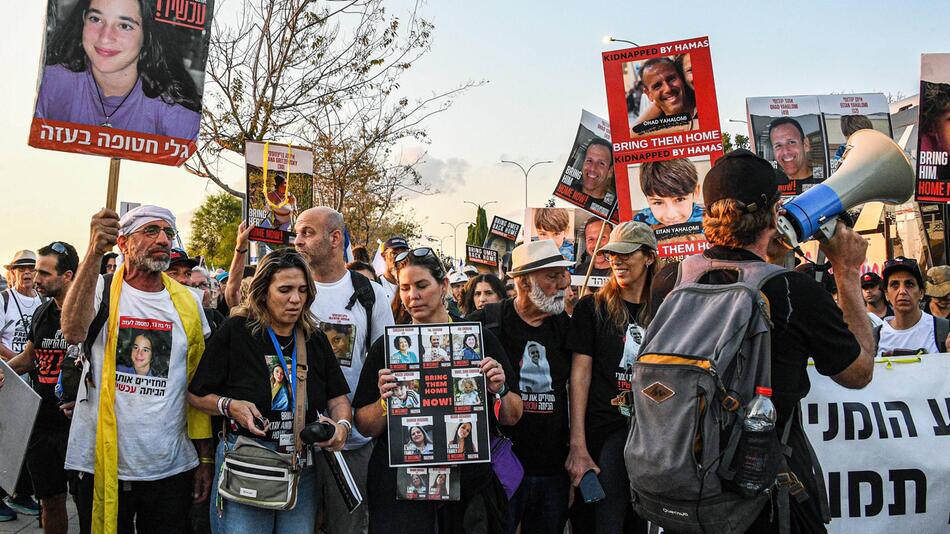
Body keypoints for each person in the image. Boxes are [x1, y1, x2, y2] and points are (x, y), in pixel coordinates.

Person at [651, 149, 877, 532]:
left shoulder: (669, 280)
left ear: (707, 214)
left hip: (687, 486)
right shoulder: (793, 291)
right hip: (767, 495)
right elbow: (857, 373)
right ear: (774, 215)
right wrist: (848, 271)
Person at [222, 207, 393, 534]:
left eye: (307, 233)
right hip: (289, 446)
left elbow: (384, 360)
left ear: (335, 238)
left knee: (347, 526)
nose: (297, 240)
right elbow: (236, 305)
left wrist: (349, 423)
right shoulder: (288, 286)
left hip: (347, 442)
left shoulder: (370, 294)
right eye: (296, 232)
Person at [60, 205, 213, 534]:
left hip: (169, 466)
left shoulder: (188, 302)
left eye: (168, 233)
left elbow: (197, 386)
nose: (163, 239)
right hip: (99, 460)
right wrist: (92, 251)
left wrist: (204, 458)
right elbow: (72, 331)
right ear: (123, 242)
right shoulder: (99, 289)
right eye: (151, 231)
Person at [353, 246, 521, 534]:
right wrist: (384, 403)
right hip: (402, 484)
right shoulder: (388, 347)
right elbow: (365, 426)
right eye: (404, 288)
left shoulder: (479, 340)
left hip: (467, 483)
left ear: (443, 285)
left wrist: (499, 388)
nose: (412, 296)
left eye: (421, 286)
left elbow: (513, 416)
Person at [187, 248, 351, 533]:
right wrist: (230, 406)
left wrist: (342, 428)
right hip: (248, 464)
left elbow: (338, 397)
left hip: (300, 467)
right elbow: (196, 394)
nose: (295, 299)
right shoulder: (237, 331)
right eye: (285, 289)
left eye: (302, 290)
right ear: (263, 291)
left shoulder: (314, 338)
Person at [467, 239, 573, 534]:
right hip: (499, 469)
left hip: (553, 470)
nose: (562, 283)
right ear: (524, 282)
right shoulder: (485, 323)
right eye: (552, 276)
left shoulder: (565, 327)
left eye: (562, 275)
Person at [566, 222, 657, 534]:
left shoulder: (665, 309)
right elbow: (579, 377)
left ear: (648, 257)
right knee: (605, 522)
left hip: (652, 436)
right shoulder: (592, 308)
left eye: (625, 253)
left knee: (638, 523)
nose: (616, 260)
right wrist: (577, 443)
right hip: (605, 432)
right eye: (611, 254)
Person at [35, 0, 201, 138]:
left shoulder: (175, 114)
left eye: (124, 25)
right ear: (83, 20)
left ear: (148, 35)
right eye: (96, 19)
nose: (105, 37)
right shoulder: (48, 84)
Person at [2, 242, 79, 533]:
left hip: (76, 426)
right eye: (35, 272)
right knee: (50, 500)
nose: (36, 279)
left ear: (68, 275)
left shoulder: (90, 315)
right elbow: (29, 358)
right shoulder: (43, 313)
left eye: (45, 273)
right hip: (42, 423)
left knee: (86, 503)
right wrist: (4, 372)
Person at [0, 250, 44, 520]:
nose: (27, 273)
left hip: (35, 378)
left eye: (32, 268)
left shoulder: (43, 300)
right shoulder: (4, 300)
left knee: (30, 437)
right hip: (9, 375)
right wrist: (18, 360)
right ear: (12, 272)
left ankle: (21, 493)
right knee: (7, 437)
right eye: (21, 268)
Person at [876, 257, 950, 356]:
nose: (902, 291)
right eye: (894, 284)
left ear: (921, 292)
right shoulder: (875, 338)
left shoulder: (944, 330)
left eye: (909, 284)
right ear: (886, 294)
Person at [631, 57, 696, 135]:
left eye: (671, 79)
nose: (668, 89)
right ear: (649, 94)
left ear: (682, 78)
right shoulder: (650, 133)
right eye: (657, 86)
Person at [632, 159, 704, 228]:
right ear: (647, 199)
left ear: (696, 192)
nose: (671, 215)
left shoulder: (708, 222)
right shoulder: (640, 223)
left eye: (680, 199)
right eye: (658, 202)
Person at [768, 117, 818, 194]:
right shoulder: (771, 188)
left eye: (791, 142)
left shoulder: (823, 182)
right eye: (778, 146)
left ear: (805, 145)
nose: (785, 152)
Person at [575, 138, 615, 205]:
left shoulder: (613, 205)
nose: (593, 168)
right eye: (589, 160)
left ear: (610, 172)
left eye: (601, 163)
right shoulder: (570, 188)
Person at [379, 236, 411, 304]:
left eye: (404, 254)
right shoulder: (377, 286)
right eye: (394, 254)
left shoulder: (413, 285)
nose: (400, 258)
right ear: (384, 256)